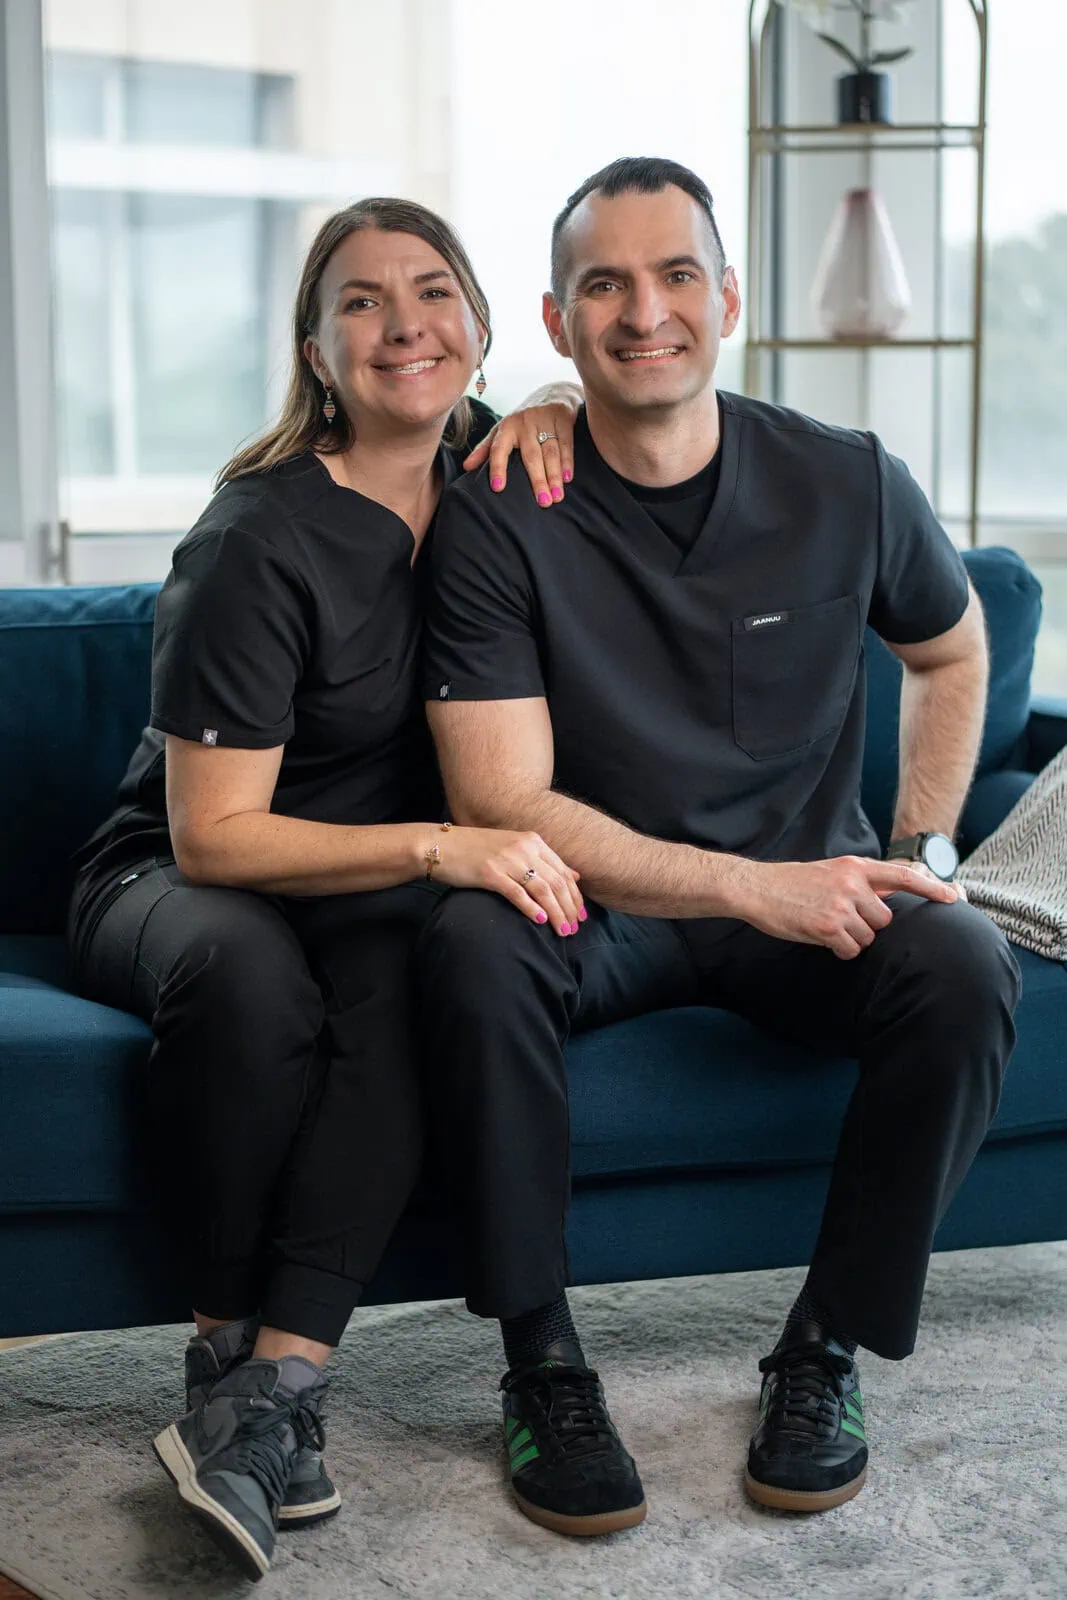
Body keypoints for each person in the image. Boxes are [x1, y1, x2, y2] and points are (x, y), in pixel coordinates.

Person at [418, 156, 1022, 1529]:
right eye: (604, 285)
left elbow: (948, 644)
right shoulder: (497, 509)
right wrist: (753, 887)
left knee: (963, 963)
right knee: (466, 937)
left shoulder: (847, 479)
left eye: (675, 274)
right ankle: (541, 1364)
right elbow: (502, 805)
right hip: (599, 904)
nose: (645, 312)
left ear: (728, 298)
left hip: (807, 904)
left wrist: (922, 849)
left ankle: (824, 1347)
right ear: (558, 323)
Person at [67, 195, 588, 1581]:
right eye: (358, 301)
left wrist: (552, 395)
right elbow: (216, 837)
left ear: (478, 320)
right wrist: (437, 844)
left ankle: (271, 1403)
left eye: (431, 292)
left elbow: (635, 423)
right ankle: (218, 1354)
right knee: (249, 973)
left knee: (430, 968)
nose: (401, 325)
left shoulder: (517, 480)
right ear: (313, 349)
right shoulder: (258, 538)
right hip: (191, 867)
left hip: (369, 892)